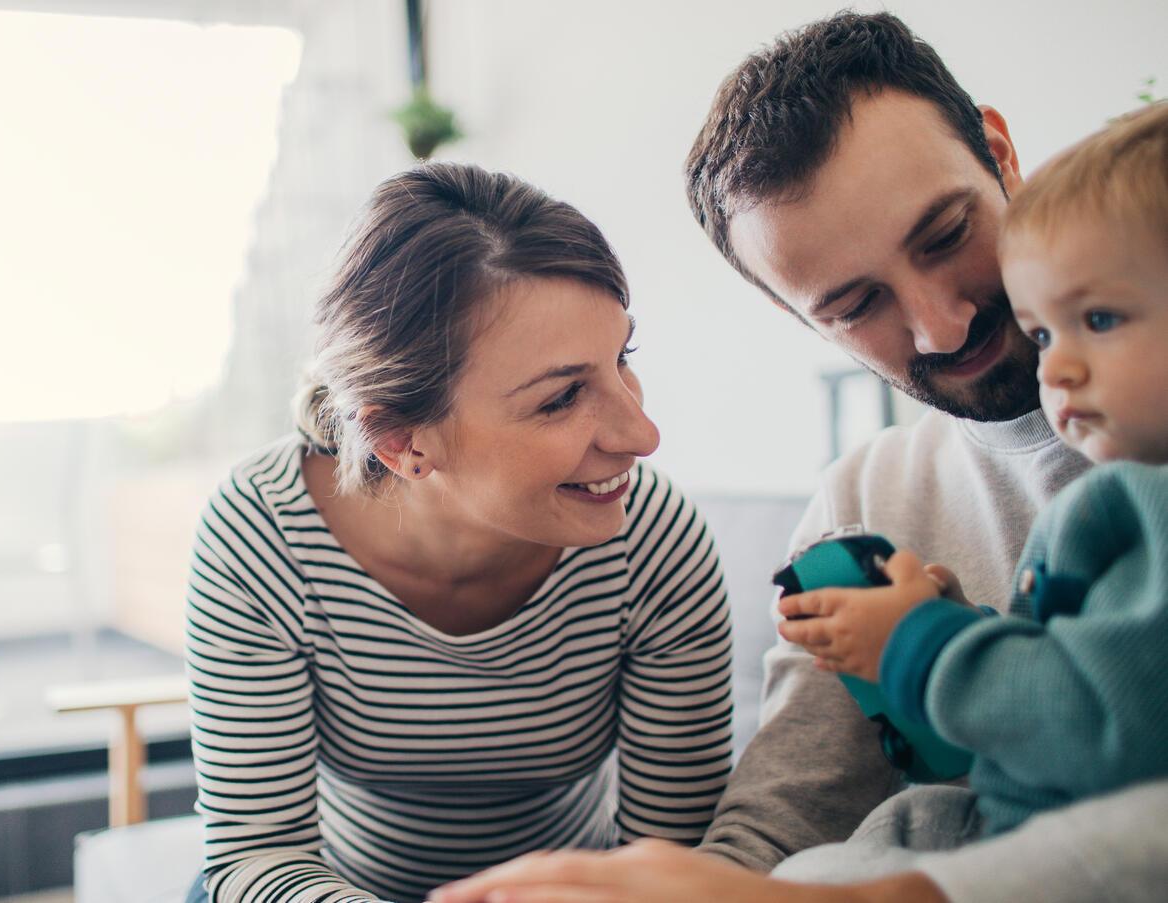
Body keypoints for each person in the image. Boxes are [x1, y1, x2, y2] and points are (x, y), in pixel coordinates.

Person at [427, 12, 1167, 903]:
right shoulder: (867, 503)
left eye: (944, 235)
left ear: (1000, 156)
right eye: (855, 305)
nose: (941, 326)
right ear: (798, 315)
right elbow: (786, 822)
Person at [184, 161, 735, 903]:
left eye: (622, 359)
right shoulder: (261, 535)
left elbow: (673, 859)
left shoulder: (656, 542)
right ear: (402, 440)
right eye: (562, 397)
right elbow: (255, 855)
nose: (643, 435)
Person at [775, 96, 1168, 853]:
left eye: (1100, 320)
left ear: (999, 152)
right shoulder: (859, 493)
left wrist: (922, 642)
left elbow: (1112, 722)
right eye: (1045, 333)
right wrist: (966, 630)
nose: (1059, 366)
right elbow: (1096, 671)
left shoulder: (1147, 501)